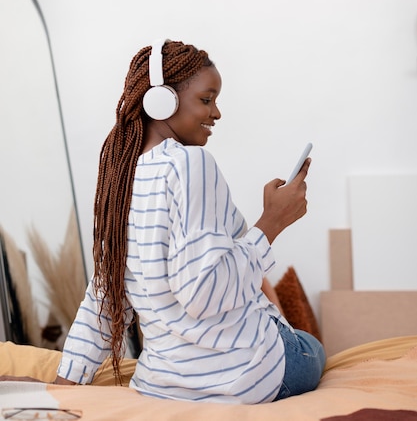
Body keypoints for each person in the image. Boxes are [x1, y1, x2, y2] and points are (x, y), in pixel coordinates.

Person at [54, 38, 325, 403]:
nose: (216, 114)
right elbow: (202, 293)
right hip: (243, 378)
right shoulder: (190, 164)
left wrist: (59, 390)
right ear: (161, 101)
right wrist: (272, 222)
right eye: (206, 99)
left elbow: (104, 302)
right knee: (310, 346)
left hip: (161, 385)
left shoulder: (118, 181)